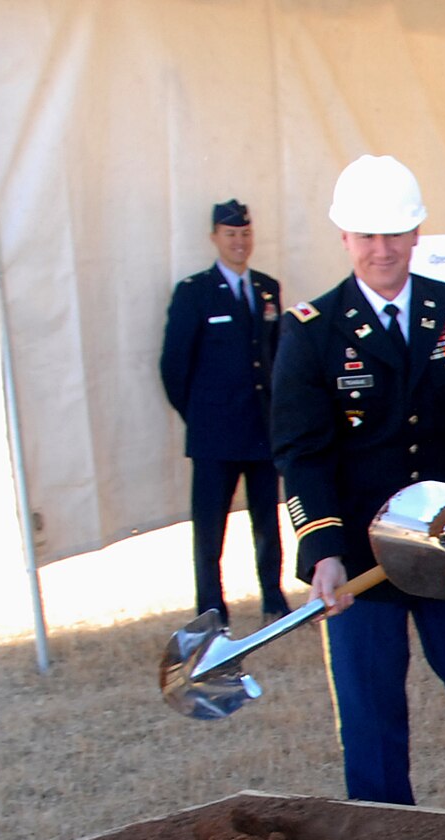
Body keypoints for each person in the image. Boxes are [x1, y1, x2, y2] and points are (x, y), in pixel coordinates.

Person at [273, 155, 445, 817]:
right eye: (366, 235)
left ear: (417, 233)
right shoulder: (312, 331)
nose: (381, 249)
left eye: (394, 233)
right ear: (344, 239)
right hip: (363, 553)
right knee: (371, 712)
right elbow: (300, 453)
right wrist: (323, 550)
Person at [159, 199, 288, 620]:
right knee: (211, 528)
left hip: (261, 429)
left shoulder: (268, 288)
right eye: (231, 234)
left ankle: (273, 596)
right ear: (215, 237)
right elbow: (174, 366)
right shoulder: (194, 292)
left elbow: (277, 356)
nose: (239, 242)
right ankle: (212, 608)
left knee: (267, 520)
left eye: (245, 234)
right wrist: (199, 415)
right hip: (214, 433)